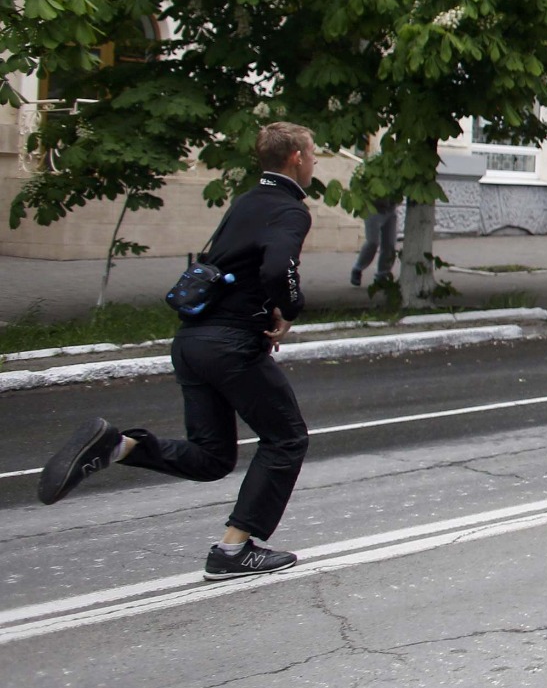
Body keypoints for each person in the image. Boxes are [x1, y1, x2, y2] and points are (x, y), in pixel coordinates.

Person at [37, 122, 319, 582]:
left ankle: (119, 445)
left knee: (212, 457)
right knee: (287, 439)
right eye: (313, 154)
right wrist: (290, 308)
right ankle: (234, 550)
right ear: (296, 158)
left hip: (191, 341)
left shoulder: (245, 202)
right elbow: (277, 268)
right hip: (231, 344)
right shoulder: (289, 210)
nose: (314, 162)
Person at [349, 196, 398, 287]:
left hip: (390, 208)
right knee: (372, 242)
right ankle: (357, 269)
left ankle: (383, 275)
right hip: (372, 208)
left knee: (390, 244)